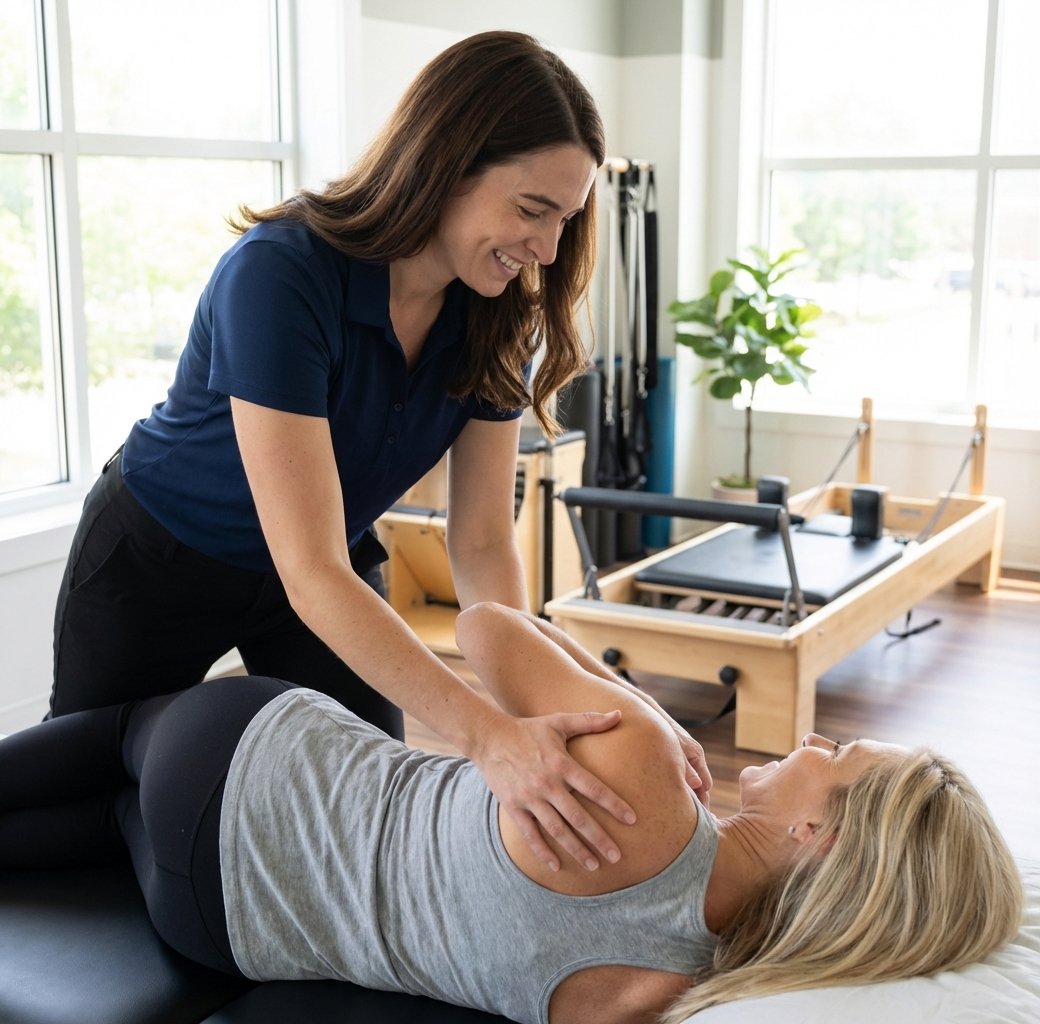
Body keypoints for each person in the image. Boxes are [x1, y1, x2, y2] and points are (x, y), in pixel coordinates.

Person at [48, 29, 711, 872]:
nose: (546, 248)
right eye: (530, 210)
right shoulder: (280, 275)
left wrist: (581, 712)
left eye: (564, 220)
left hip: (315, 580)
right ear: (447, 163)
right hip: (159, 561)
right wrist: (484, 738)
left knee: (368, 808)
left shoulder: (500, 314)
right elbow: (311, 565)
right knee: (67, 808)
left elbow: (478, 543)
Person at [6, 603, 1022, 1024]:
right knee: (93, 829)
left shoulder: (646, 780)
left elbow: (488, 625)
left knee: (119, 734)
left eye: (836, 755)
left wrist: (644, 716)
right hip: (225, 925)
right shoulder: (684, 991)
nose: (813, 738)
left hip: (236, 760)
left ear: (820, 837)